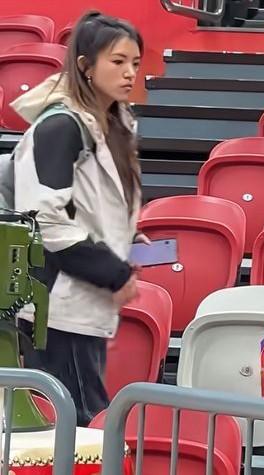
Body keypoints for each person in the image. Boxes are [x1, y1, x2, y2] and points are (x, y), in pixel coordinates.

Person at [11, 11, 144, 426]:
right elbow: (45, 220)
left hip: (85, 302)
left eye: (135, 63)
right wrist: (113, 272)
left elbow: (89, 205)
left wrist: (127, 241)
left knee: (83, 422)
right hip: (56, 304)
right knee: (77, 426)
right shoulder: (60, 127)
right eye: (118, 62)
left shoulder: (113, 123)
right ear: (86, 66)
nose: (130, 73)